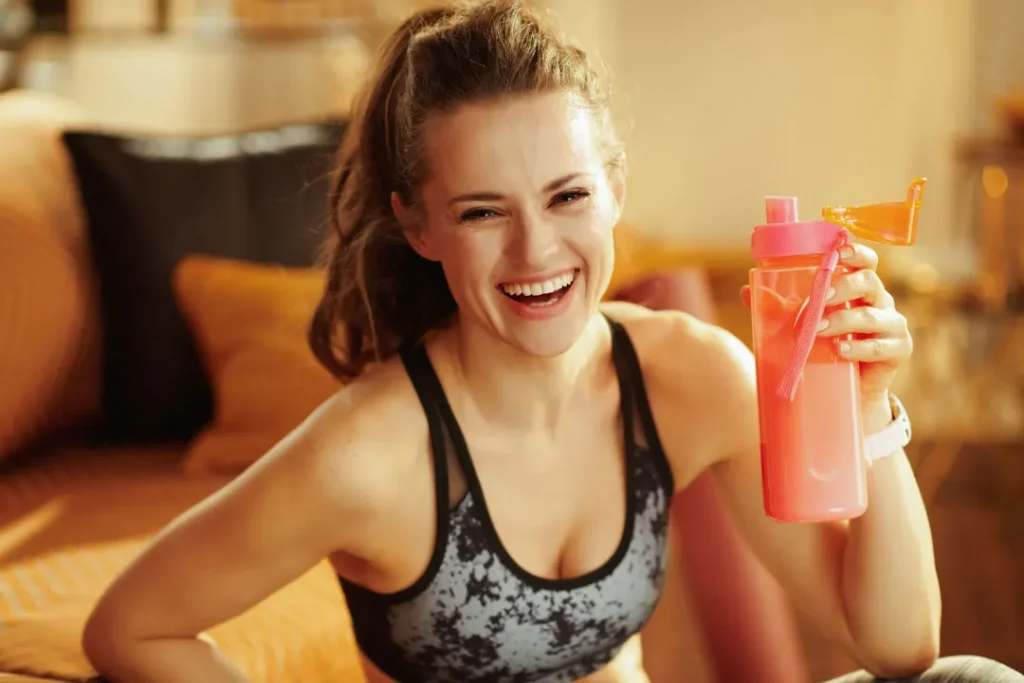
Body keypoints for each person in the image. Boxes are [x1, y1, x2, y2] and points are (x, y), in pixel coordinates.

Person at [81, 2, 1021, 682]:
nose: (537, 252)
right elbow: (131, 626)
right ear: (418, 225)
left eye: (568, 196)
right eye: (483, 211)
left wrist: (867, 409)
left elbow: (898, 647)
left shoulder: (689, 377)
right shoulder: (367, 453)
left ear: (614, 186)